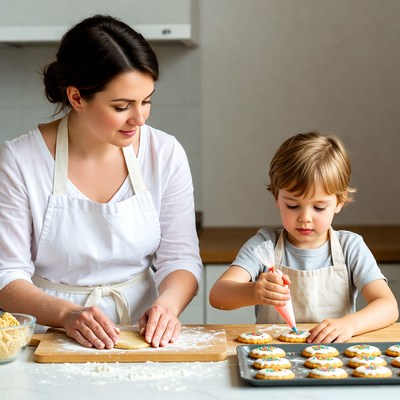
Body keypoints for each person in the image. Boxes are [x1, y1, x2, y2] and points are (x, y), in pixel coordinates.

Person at [0, 15, 202, 350]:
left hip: (143, 339)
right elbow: (6, 274)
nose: (139, 118)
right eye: (122, 106)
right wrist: (67, 314)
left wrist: (167, 306)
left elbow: (181, 259)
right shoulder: (21, 161)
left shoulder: (164, 153)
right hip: (48, 338)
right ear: (77, 98)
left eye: (147, 100)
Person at [209, 132, 398, 343]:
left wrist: (350, 325)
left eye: (318, 207)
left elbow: (388, 306)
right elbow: (218, 296)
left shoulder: (350, 247)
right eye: (293, 205)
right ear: (277, 198)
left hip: (333, 361)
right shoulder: (264, 246)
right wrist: (254, 291)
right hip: (273, 358)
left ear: (339, 202)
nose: (305, 218)